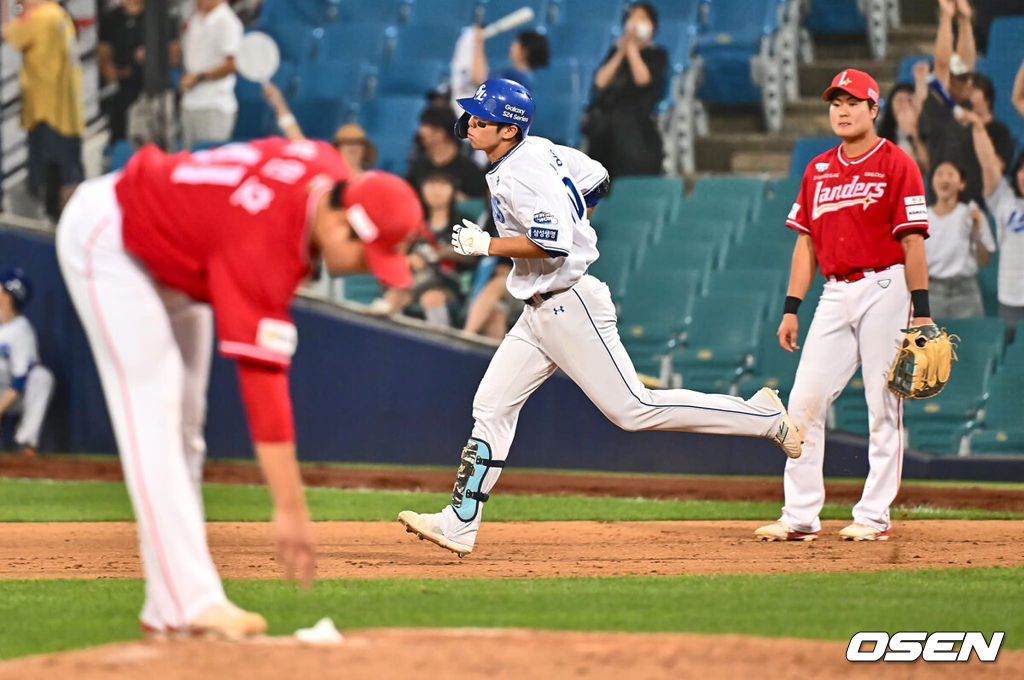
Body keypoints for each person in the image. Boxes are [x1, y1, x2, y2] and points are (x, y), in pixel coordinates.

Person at [397, 78, 803, 557]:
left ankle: (760, 416)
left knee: (634, 410)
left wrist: (489, 244)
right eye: (471, 115)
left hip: (570, 301)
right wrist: (574, 213)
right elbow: (597, 178)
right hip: (538, 311)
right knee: (491, 406)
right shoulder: (538, 151)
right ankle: (460, 522)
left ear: (509, 130)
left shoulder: (522, 171)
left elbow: (554, 242)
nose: (469, 124)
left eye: (481, 118)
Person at [56, 137, 423, 636]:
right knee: (154, 413)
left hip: (178, 253)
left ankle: (167, 607)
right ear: (340, 224)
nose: (373, 273)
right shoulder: (265, 244)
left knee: (187, 425)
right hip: (111, 237)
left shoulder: (324, 166)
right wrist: (290, 506)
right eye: (369, 257)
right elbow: (262, 384)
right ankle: (192, 602)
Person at [755, 69, 933, 544]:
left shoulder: (897, 163)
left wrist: (923, 310)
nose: (842, 110)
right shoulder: (817, 169)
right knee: (802, 404)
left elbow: (913, 242)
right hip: (835, 291)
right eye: (836, 102)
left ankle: (873, 515)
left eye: (853, 102)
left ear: (874, 110)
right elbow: (805, 245)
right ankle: (800, 516)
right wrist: (792, 307)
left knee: (882, 405)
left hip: (885, 286)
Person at [1, 0, 85, 220]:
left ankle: (54, 227)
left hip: (47, 113)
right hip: (67, 112)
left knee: (51, 179)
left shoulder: (42, 17)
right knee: (69, 171)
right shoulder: (59, 15)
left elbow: (10, 34)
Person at [584, 2, 667, 178]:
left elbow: (643, 79)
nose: (636, 23)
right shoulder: (615, 52)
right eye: (632, 18)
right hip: (607, 118)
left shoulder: (658, 55)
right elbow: (600, 81)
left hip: (637, 119)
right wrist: (621, 51)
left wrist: (632, 50)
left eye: (642, 18)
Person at [97, 0, 181, 145]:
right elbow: (103, 59)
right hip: (126, 94)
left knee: (161, 144)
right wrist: (119, 73)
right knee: (126, 144)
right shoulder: (111, 19)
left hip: (157, 92)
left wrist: (153, 55)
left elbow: (175, 57)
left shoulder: (159, 16)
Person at [407, 171, 481, 328]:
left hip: (451, 284)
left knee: (432, 297)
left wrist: (445, 253)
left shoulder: (465, 222)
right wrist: (409, 259)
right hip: (413, 281)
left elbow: (476, 255)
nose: (436, 190)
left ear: (453, 190)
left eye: (442, 184)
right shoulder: (412, 222)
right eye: (431, 184)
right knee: (394, 295)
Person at [975, 115, 1024, 343]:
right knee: (1009, 361)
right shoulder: (1005, 198)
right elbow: (988, 164)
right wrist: (978, 127)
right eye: (1022, 169)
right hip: (1011, 297)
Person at [925, 160, 994, 319]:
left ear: (961, 184)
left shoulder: (972, 215)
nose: (944, 179)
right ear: (933, 182)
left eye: (950, 174)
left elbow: (983, 261)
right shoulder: (922, 217)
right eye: (940, 174)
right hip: (932, 292)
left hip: (966, 292)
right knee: (932, 343)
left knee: (970, 342)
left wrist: (977, 232)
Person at [261, 83, 376, 177]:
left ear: (365, 149)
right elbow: (296, 137)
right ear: (337, 148)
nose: (353, 147)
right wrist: (278, 102)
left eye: (358, 142)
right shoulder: (325, 171)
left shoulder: (373, 182)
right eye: (347, 142)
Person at [0, 269, 55, 459]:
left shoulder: (21, 330)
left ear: (8, 295)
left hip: (12, 397)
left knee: (41, 377)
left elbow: (20, 380)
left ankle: (26, 444)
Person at [179, 0, 244, 149]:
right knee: (187, 161)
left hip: (214, 105)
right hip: (189, 102)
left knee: (208, 162)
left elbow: (233, 64)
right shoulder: (194, 19)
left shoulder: (228, 22)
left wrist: (199, 77)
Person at [407, 105, 489, 199]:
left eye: (426, 126)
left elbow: (479, 207)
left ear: (441, 133)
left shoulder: (469, 171)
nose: (421, 131)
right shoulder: (417, 169)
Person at [471, 27, 550, 93]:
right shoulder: (525, 78)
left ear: (524, 51)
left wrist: (478, 42)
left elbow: (479, 79)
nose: (511, 48)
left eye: (516, 44)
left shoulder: (516, 77)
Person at [876, 83, 927, 171]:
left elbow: (927, 165)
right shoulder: (881, 132)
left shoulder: (926, 128)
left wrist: (914, 133)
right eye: (899, 100)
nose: (904, 105)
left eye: (909, 100)